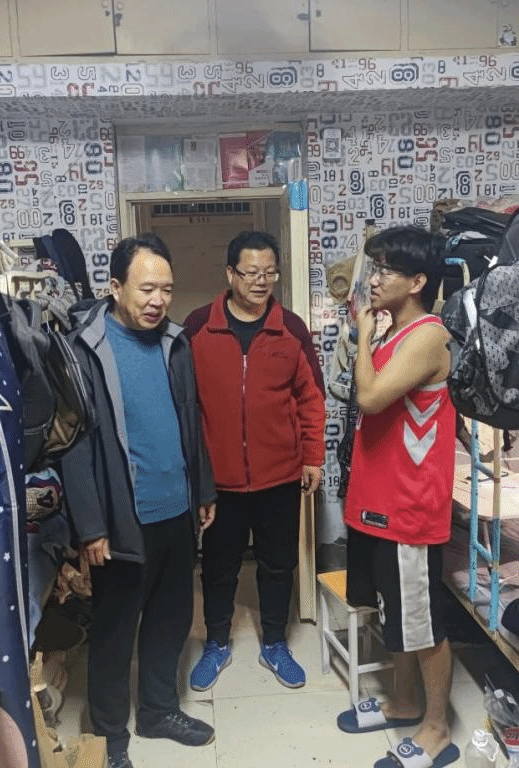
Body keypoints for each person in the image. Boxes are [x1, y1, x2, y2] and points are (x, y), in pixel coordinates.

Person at [59, 234, 217, 768]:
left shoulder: (176, 342)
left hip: (177, 510)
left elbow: (191, 420)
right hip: (121, 520)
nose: (158, 300)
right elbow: (75, 445)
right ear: (115, 286)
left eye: (166, 290)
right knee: (114, 631)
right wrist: (90, 526)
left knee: (171, 621)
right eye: (147, 288)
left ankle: (158, 711)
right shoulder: (83, 348)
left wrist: (203, 489)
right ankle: (109, 736)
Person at [334, 226, 460, 768]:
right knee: (395, 613)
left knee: (423, 623)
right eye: (375, 266)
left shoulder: (428, 336)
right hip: (377, 501)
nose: (373, 278)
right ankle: (404, 701)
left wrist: (363, 333)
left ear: (417, 281)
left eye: (385, 269)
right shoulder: (394, 333)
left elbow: (368, 397)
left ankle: (437, 730)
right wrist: (371, 335)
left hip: (409, 507)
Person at [184, 230, 326, 691]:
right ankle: (216, 643)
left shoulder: (292, 329)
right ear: (230, 274)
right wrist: (193, 469)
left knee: (278, 564)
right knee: (219, 567)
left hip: (280, 476)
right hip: (219, 482)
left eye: (270, 272)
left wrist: (313, 456)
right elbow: (183, 402)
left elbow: (311, 398)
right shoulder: (198, 327)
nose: (261, 281)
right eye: (250, 273)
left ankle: (275, 644)